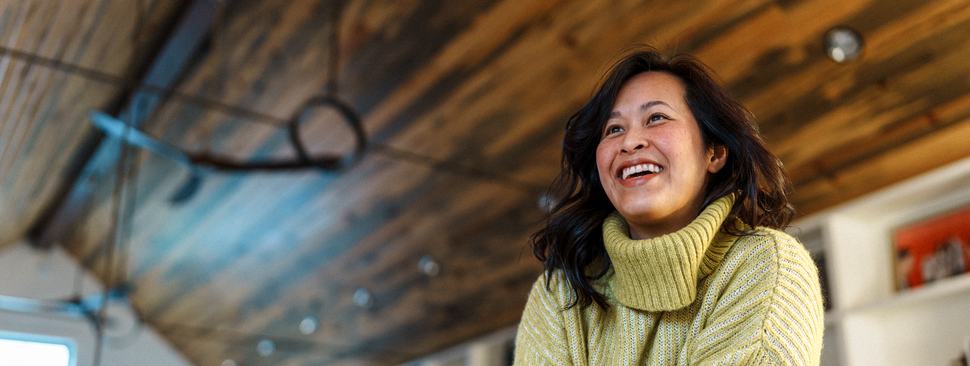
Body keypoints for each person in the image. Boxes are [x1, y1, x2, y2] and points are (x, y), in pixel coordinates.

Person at [514, 48, 824, 365]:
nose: (629, 141)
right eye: (614, 129)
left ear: (714, 153)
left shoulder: (765, 264)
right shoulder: (561, 293)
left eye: (657, 118)